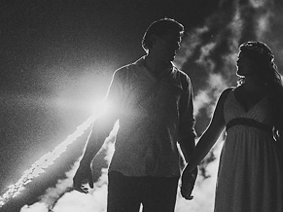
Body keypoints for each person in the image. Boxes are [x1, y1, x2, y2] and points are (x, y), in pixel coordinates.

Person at [72, 17, 196, 212]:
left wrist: (192, 166)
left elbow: (186, 130)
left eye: (178, 42)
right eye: (172, 40)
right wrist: (85, 162)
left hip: (164, 174)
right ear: (153, 40)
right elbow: (104, 123)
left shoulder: (182, 81)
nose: (177, 46)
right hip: (125, 171)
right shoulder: (125, 76)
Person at [181, 41, 283, 211]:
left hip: (264, 163)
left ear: (257, 63)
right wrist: (190, 167)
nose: (238, 62)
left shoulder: (274, 97)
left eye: (244, 59)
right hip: (233, 164)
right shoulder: (228, 96)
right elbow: (211, 134)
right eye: (238, 58)